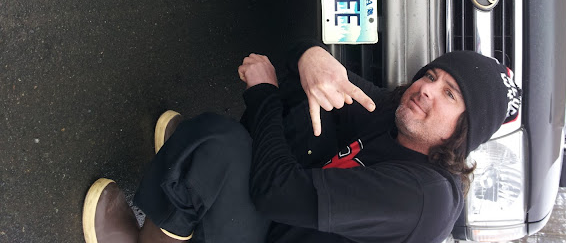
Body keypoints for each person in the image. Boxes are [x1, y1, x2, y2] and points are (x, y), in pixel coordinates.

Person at [82, 40, 520, 243]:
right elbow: (327, 81)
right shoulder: (399, 117)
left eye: (450, 94)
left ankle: (167, 219)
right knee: (315, 101)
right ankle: (197, 181)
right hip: (282, 221)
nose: (426, 89)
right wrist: (313, 56)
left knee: (218, 142)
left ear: (462, 133)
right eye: (431, 75)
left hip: (275, 222)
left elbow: (276, 192)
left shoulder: (425, 199)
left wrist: (263, 95)